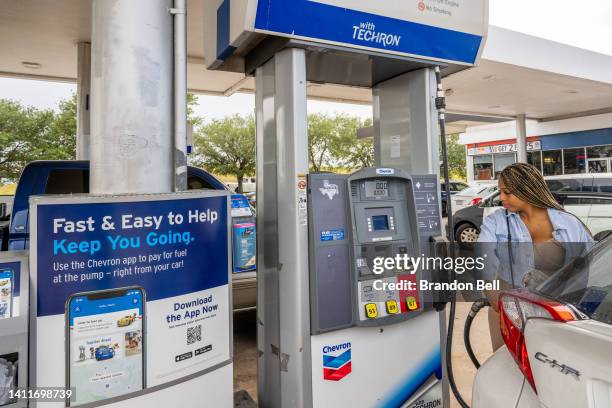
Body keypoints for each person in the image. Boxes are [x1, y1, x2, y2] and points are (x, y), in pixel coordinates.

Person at [476, 163, 593, 350]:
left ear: (526, 190)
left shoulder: (569, 224)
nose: (502, 198)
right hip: (507, 310)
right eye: (500, 192)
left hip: (552, 313)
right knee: (506, 369)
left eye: (507, 192)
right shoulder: (496, 221)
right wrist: (493, 295)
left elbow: (589, 265)